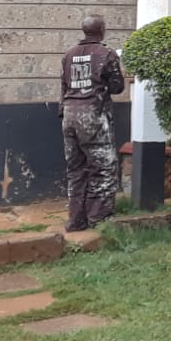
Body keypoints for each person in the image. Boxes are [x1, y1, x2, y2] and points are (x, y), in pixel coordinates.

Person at [60, 14, 125, 232]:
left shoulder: (68, 55)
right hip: (93, 116)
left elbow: (64, 86)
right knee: (104, 168)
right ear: (102, 30)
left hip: (69, 115)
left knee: (76, 170)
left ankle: (76, 220)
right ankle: (99, 221)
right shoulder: (106, 54)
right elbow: (117, 87)